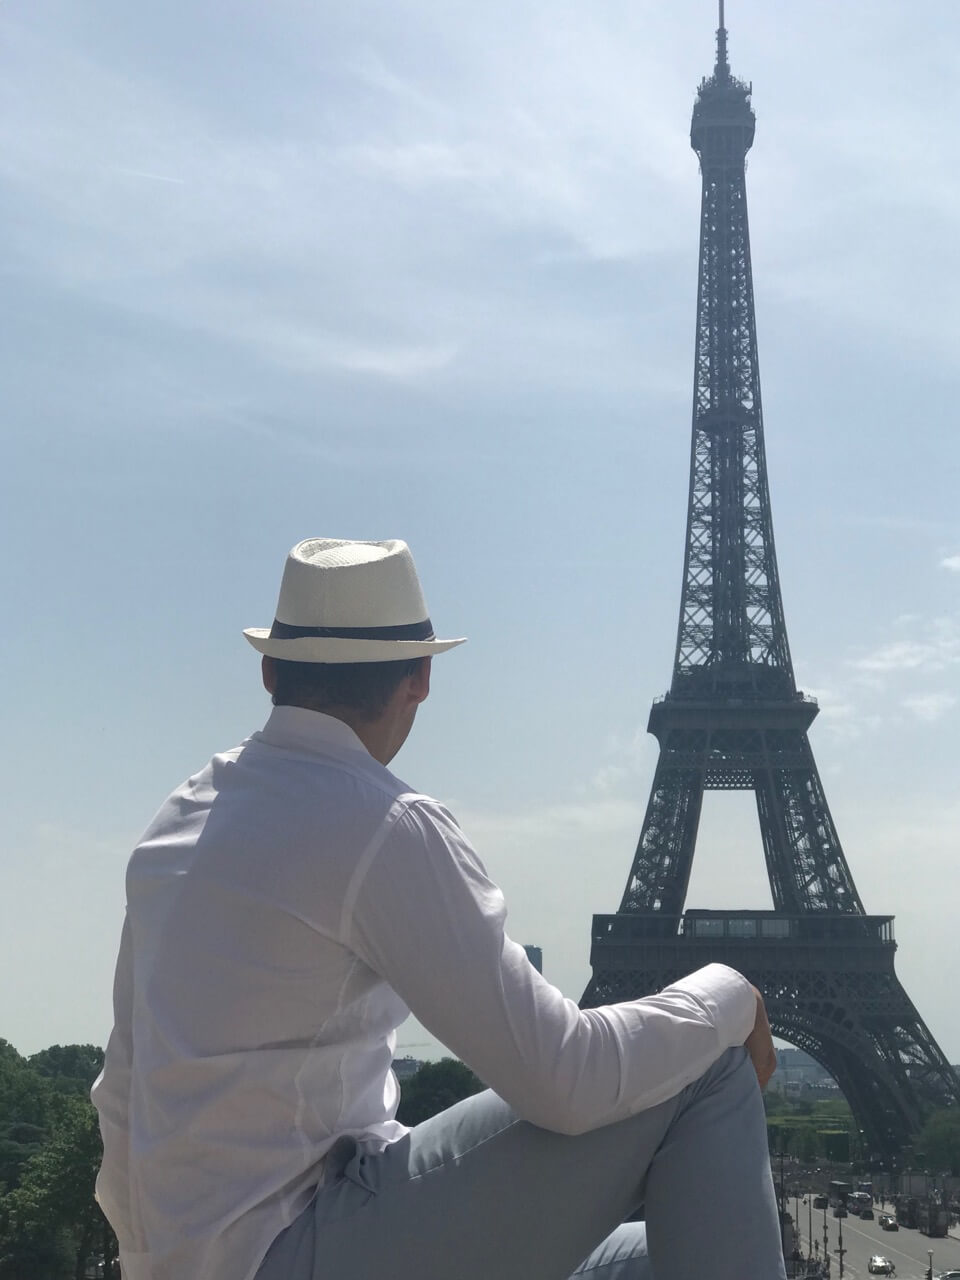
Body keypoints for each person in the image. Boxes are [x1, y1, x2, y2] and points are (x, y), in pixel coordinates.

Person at [92, 537, 787, 1280]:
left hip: (202, 1257)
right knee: (705, 1061)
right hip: (296, 1249)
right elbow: (564, 1078)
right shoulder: (379, 823)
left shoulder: (183, 814)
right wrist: (729, 997)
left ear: (269, 671)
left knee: (664, 1256)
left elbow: (124, 1090)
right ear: (420, 678)